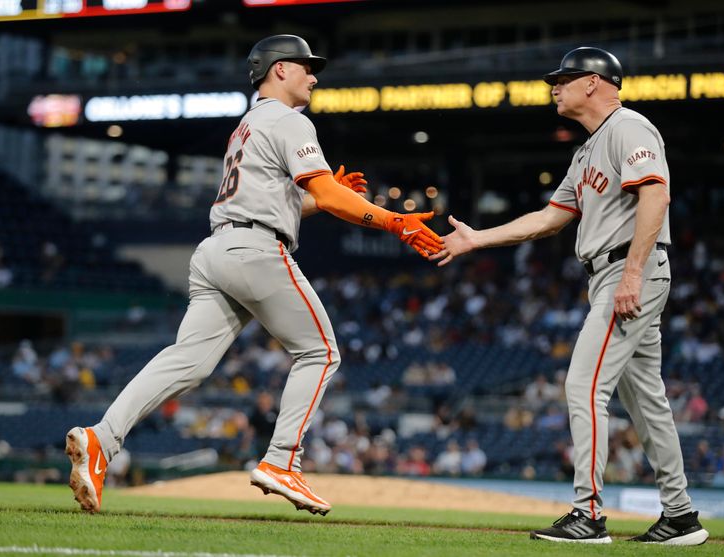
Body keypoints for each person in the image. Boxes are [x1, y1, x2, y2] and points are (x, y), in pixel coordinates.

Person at [65, 34, 442, 516]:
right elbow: (322, 196)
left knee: (188, 361)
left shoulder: (248, 124)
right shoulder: (289, 119)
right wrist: (392, 220)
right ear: (278, 70)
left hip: (216, 249)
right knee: (321, 352)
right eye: (306, 66)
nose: (313, 75)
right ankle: (283, 461)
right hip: (254, 249)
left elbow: (283, 202)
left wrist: (313, 199)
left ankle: (102, 438)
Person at [431, 47, 708, 545]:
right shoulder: (586, 150)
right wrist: (478, 238)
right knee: (647, 402)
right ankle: (681, 516)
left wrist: (631, 276)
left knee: (584, 386)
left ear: (595, 83)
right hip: (615, 271)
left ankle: (590, 514)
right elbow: (549, 218)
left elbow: (657, 195)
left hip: (631, 269)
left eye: (565, 78)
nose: (554, 86)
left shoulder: (629, 127)